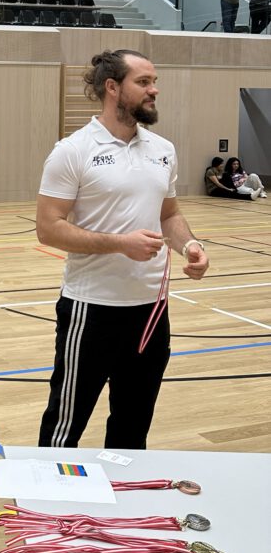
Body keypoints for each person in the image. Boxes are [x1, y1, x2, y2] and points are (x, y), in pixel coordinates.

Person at [35, 50, 209, 449]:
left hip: (151, 310)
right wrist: (120, 245)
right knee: (65, 423)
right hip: (91, 309)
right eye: (144, 82)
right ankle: (49, 506)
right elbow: (48, 229)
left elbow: (169, 215)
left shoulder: (163, 149)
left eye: (154, 81)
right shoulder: (73, 150)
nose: (154, 90)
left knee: (133, 425)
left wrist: (190, 245)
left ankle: (124, 506)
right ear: (112, 88)